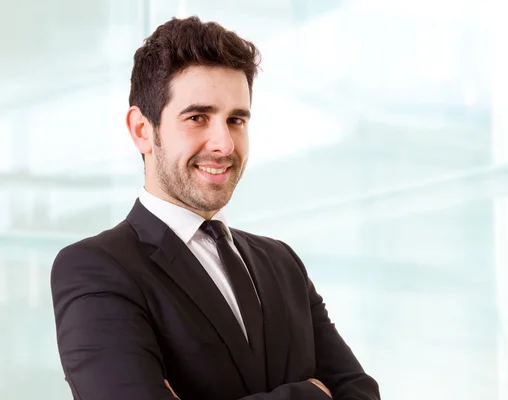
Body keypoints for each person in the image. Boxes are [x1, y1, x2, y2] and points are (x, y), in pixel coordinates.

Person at [50, 16, 380, 400]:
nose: (223, 144)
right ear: (142, 130)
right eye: (197, 118)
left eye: (236, 120)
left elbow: (360, 393)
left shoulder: (281, 262)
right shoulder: (96, 270)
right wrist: (309, 394)